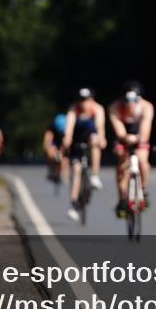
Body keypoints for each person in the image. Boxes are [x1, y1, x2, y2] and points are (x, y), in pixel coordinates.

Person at [109, 81, 154, 219]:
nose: (131, 103)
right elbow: (118, 129)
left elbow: (145, 128)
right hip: (123, 137)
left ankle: (143, 190)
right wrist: (125, 138)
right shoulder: (115, 107)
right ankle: (122, 199)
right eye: (127, 100)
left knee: (142, 160)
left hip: (139, 135)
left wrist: (140, 138)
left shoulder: (146, 107)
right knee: (122, 161)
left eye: (134, 100)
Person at [63, 89, 105, 222]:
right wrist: (67, 140)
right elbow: (69, 128)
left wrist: (101, 138)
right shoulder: (73, 110)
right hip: (76, 142)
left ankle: (95, 175)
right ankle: (73, 204)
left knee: (95, 140)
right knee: (76, 170)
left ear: (91, 100)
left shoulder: (97, 109)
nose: (83, 103)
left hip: (90, 140)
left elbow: (99, 127)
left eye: (86, 100)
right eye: (81, 100)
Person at [43, 113, 68, 190]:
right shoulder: (51, 128)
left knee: (64, 159)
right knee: (50, 153)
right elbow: (47, 142)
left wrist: (61, 152)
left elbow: (66, 144)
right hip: (54, 143)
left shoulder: (68, 129)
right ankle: (51, 169)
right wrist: (51, 150)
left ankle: (63, 174)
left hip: (63, 144)